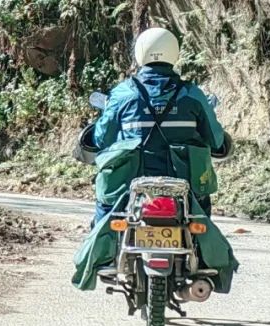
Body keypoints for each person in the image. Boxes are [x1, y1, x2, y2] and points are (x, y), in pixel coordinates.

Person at [84, 28, 229, 226]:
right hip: (185, 182)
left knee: (106, 207)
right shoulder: (193, 94)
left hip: (129, 182)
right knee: (200, 219)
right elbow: (216, 140)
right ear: (174, 53)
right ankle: (200, 245)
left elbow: (101, 139)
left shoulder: (123, 94)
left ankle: (100, 245)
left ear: (139, 52)